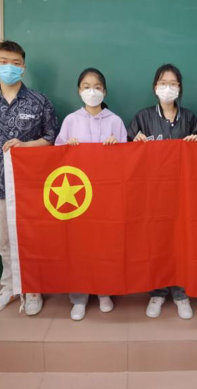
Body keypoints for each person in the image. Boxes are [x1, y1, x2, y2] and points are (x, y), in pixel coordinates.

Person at [0, 40, 59, 316]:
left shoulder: (39, 101)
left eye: (16, 63)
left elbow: (51, 139)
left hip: (32, 185)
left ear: (24, 67)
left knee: (32, 238)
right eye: (4, 62)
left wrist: (26, 145)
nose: (10, 67)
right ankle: (9, 286)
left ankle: (33, 288)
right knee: (5, 240)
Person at [127, 63, 197, 320]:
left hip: (182, 194)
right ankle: (157, 293)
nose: (167, 88)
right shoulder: (143, 117)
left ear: (180, 88)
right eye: (163, 83)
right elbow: (126, 156)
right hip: (152, 194)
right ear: (154, 87)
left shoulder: (189, 118)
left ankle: (181, 293)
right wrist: (135, 143)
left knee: (181, 242)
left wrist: (196, 143)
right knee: (156, 242)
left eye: (173, 83)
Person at [55, 67, 127, 321]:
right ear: (79, 91)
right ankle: (79, 297)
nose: (92, 91)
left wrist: (116, 148)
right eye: (86, 87)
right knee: (79, 246)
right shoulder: (70, 120)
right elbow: (57, 156)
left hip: (107, 195)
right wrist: (69, 148)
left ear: (104, 91)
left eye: (97, 87)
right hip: (78, 197)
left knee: (105, 244)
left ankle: (104, 291)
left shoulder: (115, 121)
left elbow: (127, 160)